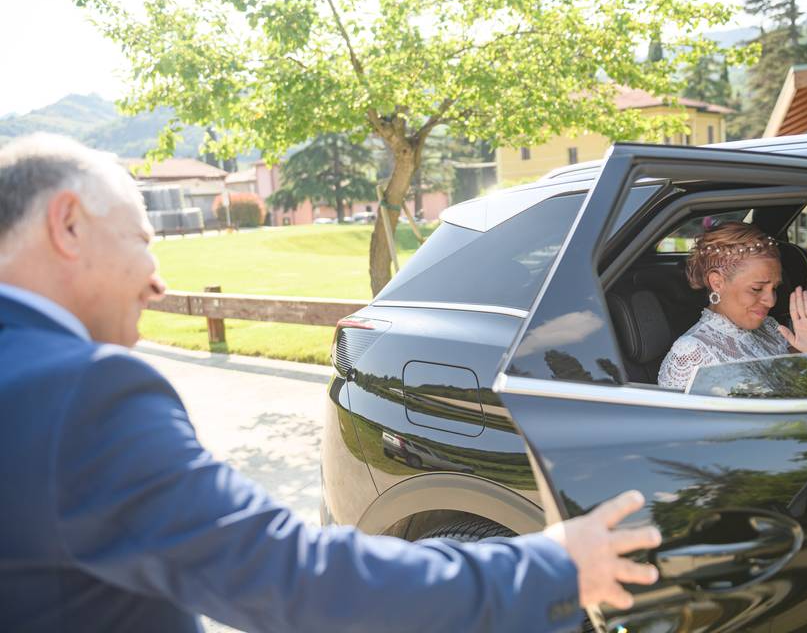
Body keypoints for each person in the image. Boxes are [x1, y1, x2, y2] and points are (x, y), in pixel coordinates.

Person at [0, 134, 662, 632]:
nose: (157, 280)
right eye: (142, 239)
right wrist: (553, 566)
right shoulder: (80, 395)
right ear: (67, 224)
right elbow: (291, 579)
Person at [658, 222, 807, 391]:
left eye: (775, 288)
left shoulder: (769, 329)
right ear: (717, 282)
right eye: (757, 289)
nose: (771, 301)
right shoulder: (692, 354)